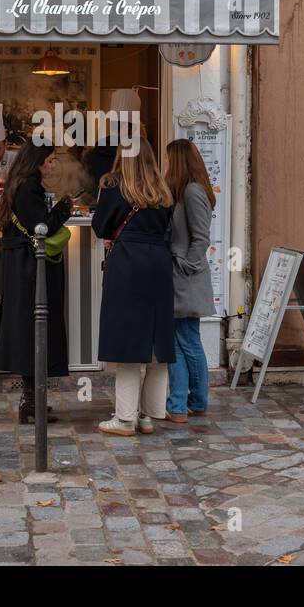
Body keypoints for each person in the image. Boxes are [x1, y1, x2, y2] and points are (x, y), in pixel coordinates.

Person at [92, 138, 175, 436]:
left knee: (127, 341)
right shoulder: (163, 190)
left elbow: (100, 226)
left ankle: (125, 418)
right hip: (160, 263)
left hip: (128, 263)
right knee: (156, 340)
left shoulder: (115, 187)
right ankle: (149, 415)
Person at [0, 143, 76, 424]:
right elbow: (42, 226)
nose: (53, 165)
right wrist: (65, 208)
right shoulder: (29, 188)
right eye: (51, 160)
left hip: (23, 267)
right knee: (35, 330)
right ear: (39, 162)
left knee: (32, 332)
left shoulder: (21, 185)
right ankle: (31, 402)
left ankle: (33, 400)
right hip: (30, 270)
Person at [164, 139, 215, 423]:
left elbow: (201, 237)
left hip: (186, 277)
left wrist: (186, 266)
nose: (166, 165)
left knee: (188, 339)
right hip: (179, 276)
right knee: (179, 341)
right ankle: (179, 405)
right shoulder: (183, 191)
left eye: (169, 159)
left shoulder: (193, 191)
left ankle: (194, 400)